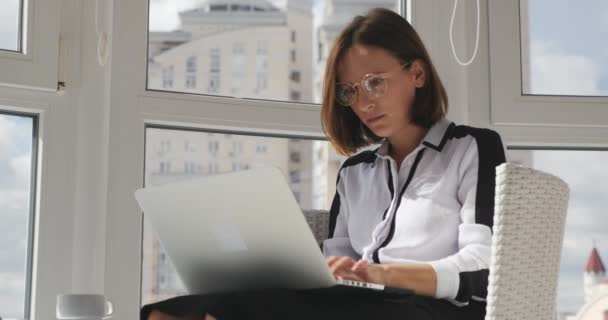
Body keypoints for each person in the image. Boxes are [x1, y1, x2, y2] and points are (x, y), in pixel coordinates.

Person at [143, 7, 506, 320]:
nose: (363, 103)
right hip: (357, 305)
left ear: (417, 74)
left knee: (236, 310)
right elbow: (336, 267)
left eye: (375, 83)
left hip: (435, 310)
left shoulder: (472, 148)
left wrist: (384, 275)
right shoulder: (354, 174)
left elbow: (482, 265)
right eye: (351, 91)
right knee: (173, 310)